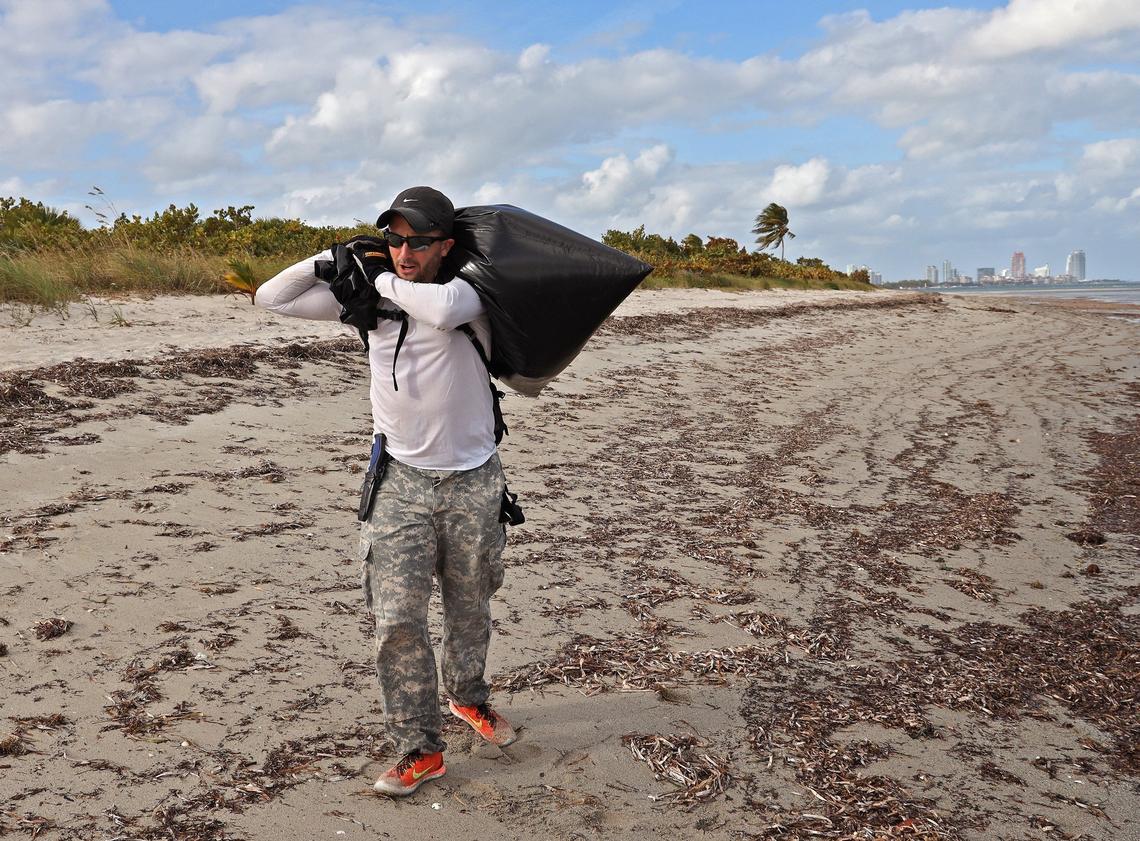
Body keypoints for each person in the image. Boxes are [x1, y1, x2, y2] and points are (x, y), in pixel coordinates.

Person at [255, 186, 516, 797]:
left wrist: (375, 279)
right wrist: (332, 258)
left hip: (474, 479)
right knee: (397, 619)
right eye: (394, 240)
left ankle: (469, 699)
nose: (403, 251)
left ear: (444, 246)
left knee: (470, 605)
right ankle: (417, 748)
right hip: (398, 481)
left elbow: (445, 310)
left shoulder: (470, 293)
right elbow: (272, 297)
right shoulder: (371, 304)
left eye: (417, 241)